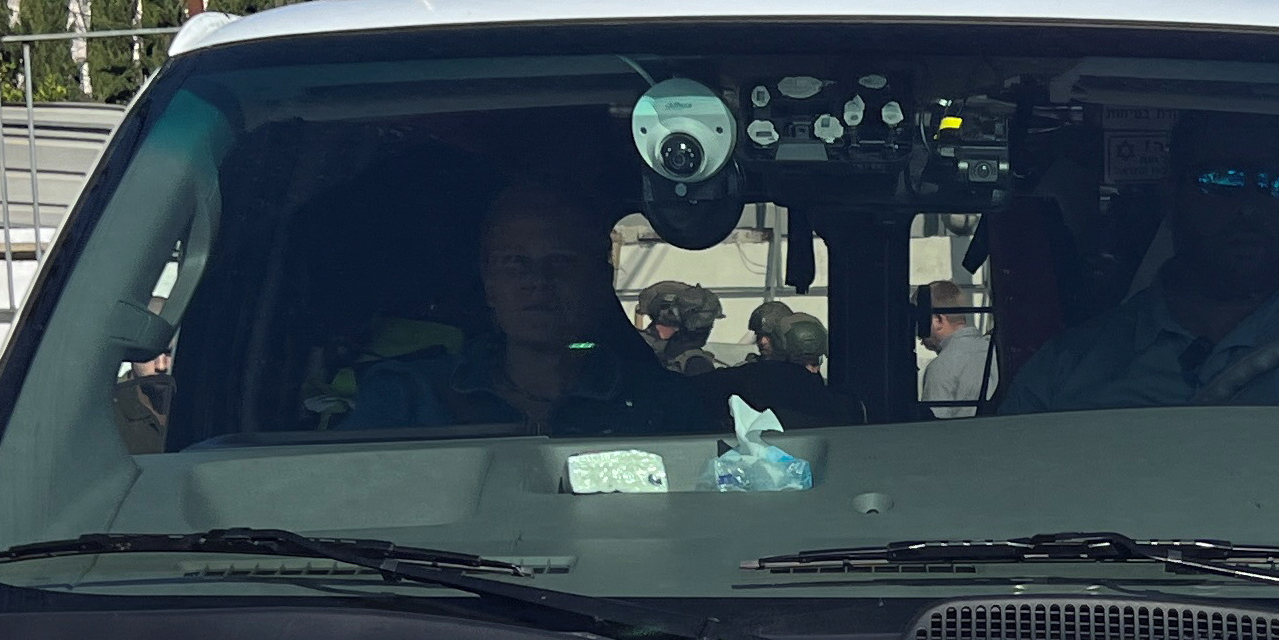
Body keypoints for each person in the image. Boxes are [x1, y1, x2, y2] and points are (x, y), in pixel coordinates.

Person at [999, 111, 1279, 412]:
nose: (1250, 205)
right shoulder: (1069, 369)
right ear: (1171, 192)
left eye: (1275, 183)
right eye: (1221, 180)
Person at [350, 182, 822, 435]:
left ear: (600, 279)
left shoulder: (659, 407)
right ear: (488, 282)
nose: (537, 282)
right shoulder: (407, 397)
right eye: (515, 264)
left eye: (561, 262)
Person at [917, 277, 995, 417]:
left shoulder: (941, 367)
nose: (918, 336)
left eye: (919, 321)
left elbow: (934, 430)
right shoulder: (995, 350)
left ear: (938, 320)